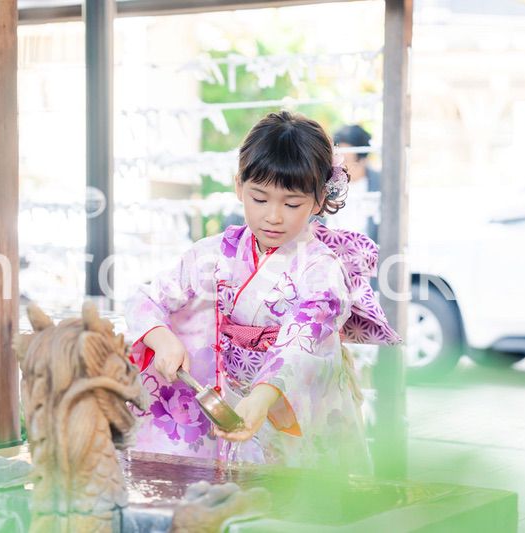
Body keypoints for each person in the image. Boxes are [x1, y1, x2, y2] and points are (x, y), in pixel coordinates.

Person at [126, 111, 401, 472]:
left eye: (291, 204)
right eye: (259, 198)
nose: (273, 216)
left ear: (319, 199)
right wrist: (161, 338)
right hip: (237, 400)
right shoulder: (213, 254)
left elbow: (304, 338)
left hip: (300, 405)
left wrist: (264, 393)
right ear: (239, 186)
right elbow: (146, 299)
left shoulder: (322, 267)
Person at [331, 124, 380, 242]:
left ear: (362, 159)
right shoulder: (327, 183)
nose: (339, 164)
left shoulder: (380, 184)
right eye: (337, 158)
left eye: (346, 159)